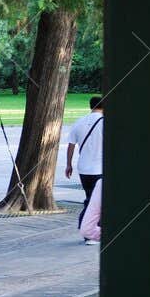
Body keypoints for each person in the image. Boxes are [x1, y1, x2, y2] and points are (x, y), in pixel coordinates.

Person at [64, 96, 104, 242]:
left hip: (83, 168)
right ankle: (90, 231)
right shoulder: (105, 122)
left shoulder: (79, 121)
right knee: (96, 202)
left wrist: (69, 164)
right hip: (100, 168)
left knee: (89, 197)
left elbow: (71, 145)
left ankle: (88, 229)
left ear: (91, 106)